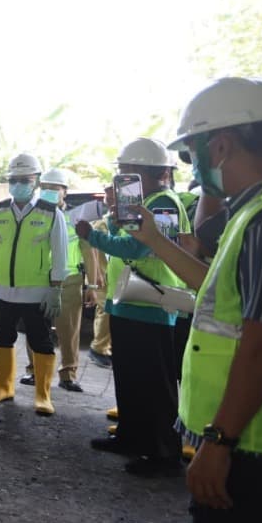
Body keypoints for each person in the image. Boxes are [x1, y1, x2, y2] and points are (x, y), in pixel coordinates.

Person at [122, 77, 262, 523]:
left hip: (255, 448)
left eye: (192, 152)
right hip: (254, 438)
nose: (193, 166)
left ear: (219, 145)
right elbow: (213, 290)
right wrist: (155, 241)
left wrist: (219, 443)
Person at [75, 137, 191, 477]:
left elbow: (141, 249)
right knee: (130, 376)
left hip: (152, 303)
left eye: (127, 171)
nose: (122, 177)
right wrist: (113, 220)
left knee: (156, 382)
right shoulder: (144, 203)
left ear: (148, 172)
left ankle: (164, 453)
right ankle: (131, 437)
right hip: (129, 300)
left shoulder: (163, 204)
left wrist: (93, 236)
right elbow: (129, 238)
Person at [0, 153, 67, 416]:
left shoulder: (50, 213)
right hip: (2, 290)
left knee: (41, 342)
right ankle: (3, 387)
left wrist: (56, 287)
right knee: (2, 337)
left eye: (24, 180)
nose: (18, 185)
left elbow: (60, 253)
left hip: (36, 293)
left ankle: (43, 395)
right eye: (13, 180)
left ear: (36, 181)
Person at [19, 169, 95, 393]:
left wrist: (91, 285)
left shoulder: (76, 220)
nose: (50, 192)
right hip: (38, 279)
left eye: (56, 188)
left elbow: (89, 254)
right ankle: (33, 371)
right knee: (36, 328)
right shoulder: (31, 217)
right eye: (46, 188)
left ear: (65, 192)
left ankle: (68, 375)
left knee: (69, 331)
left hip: (69, 280)